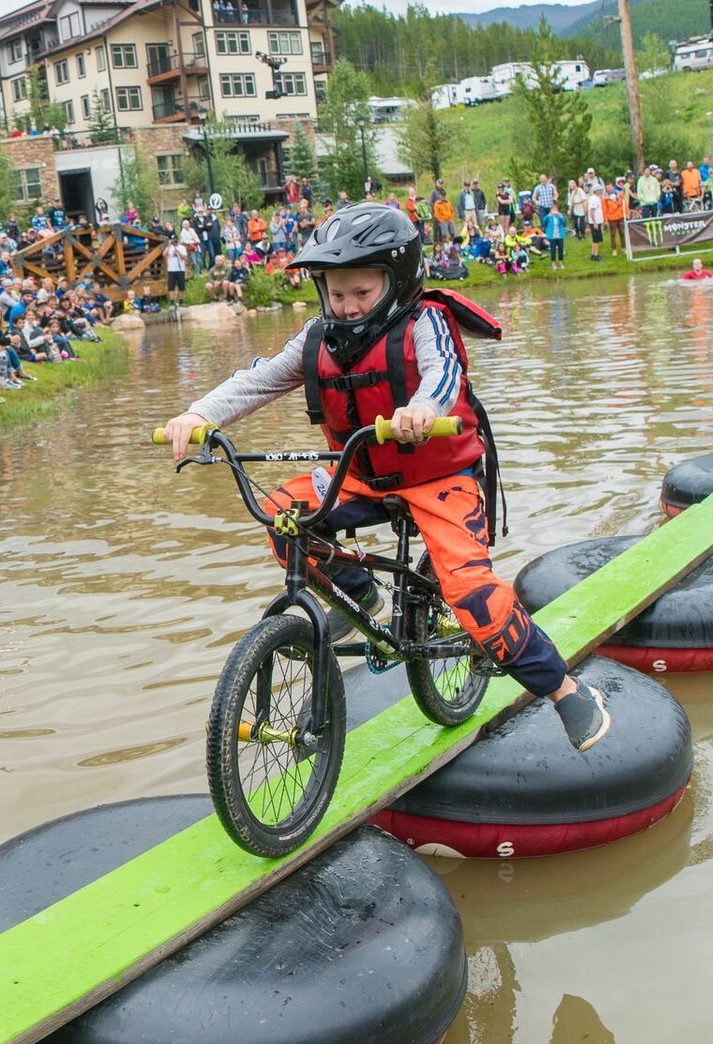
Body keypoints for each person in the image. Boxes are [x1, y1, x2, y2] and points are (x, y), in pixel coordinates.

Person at [161, 203, 612, 753]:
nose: (346, 307)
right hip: (360, 473)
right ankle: (363, 600)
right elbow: (254, 382)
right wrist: (198, 414)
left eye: (361, 293)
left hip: (439, 476)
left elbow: (444, 373)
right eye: (335, 293)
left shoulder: (427, 322)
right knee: (283, 518)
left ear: (396, 283)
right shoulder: (317, 338)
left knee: (470, 591)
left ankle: (566, 690)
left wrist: (422, 409)